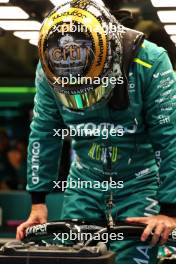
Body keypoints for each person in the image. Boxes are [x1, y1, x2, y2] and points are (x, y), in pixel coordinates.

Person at [16, 0, 176, 263]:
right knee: (75, 259)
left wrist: (171, 210)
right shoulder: (48, 71)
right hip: (83, 184)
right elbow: (44, 131)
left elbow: (169, 137)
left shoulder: (151, 61)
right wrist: (38, 201)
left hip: (142, 184)